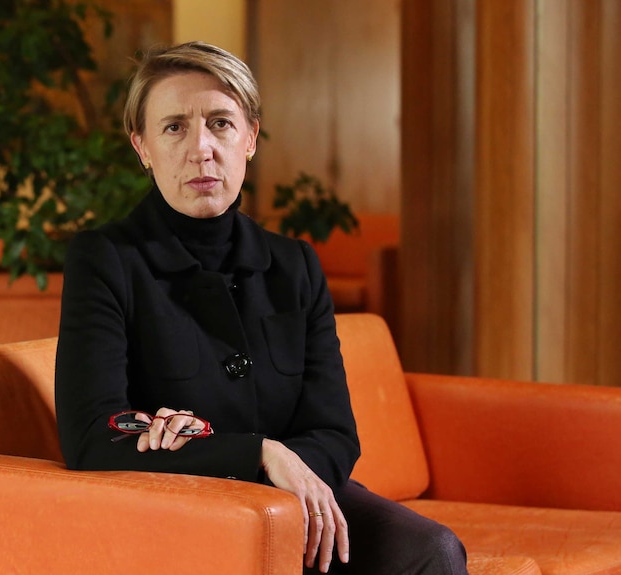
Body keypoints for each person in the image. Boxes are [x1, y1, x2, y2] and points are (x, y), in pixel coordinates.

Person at [54, 41, 468, 575]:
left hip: (304, 497)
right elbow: (94, 436)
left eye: (221, 123)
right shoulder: (105, 260)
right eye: (174, 127)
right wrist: (258, 454)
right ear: (143, 147)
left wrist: (293, 479)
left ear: (249, 138)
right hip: (183, 508)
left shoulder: (294, 265)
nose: (200, 148)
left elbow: (335, 430)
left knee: (431, 553)